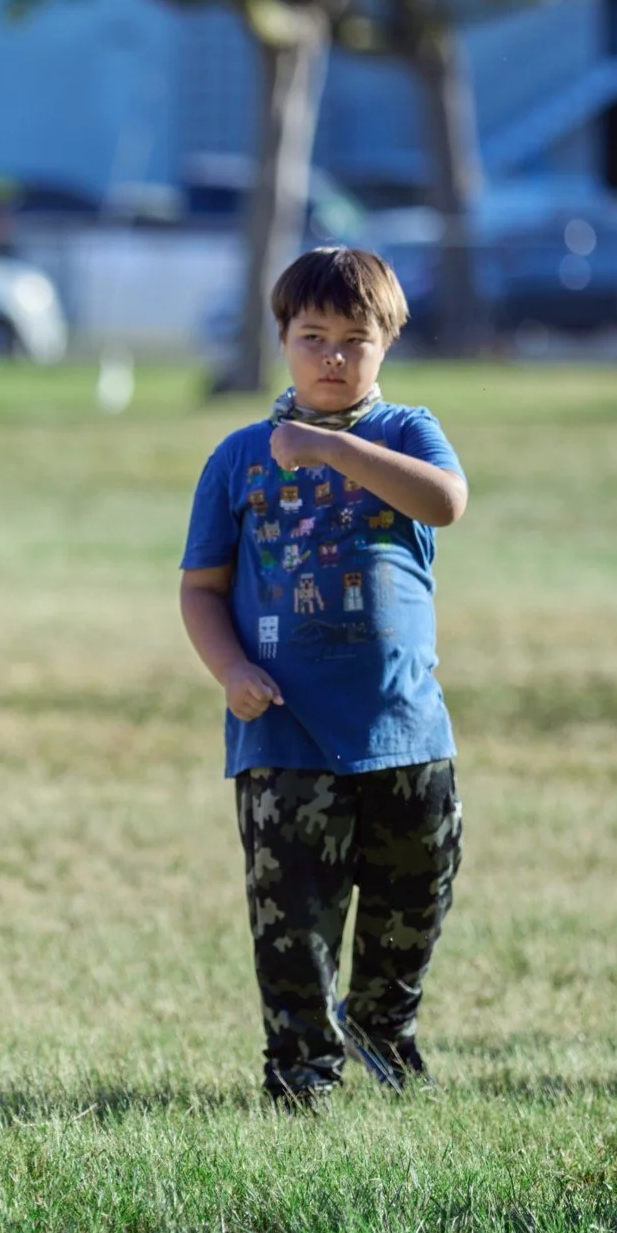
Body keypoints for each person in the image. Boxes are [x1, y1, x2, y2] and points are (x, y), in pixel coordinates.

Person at [179, 246, 468, 1110]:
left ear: (387, 345)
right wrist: (230, 669)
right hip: (284, 728)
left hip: (402, 723)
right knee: (292, 915)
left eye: (356, 339)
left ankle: (384, 1026)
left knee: (416, 887)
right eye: (314, 338)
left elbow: (445, 502)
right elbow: (202, 589)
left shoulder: (407, 433)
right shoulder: (239, 457)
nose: (334, 358)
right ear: (282, 340)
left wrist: (329, 452)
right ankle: (301, 1069)